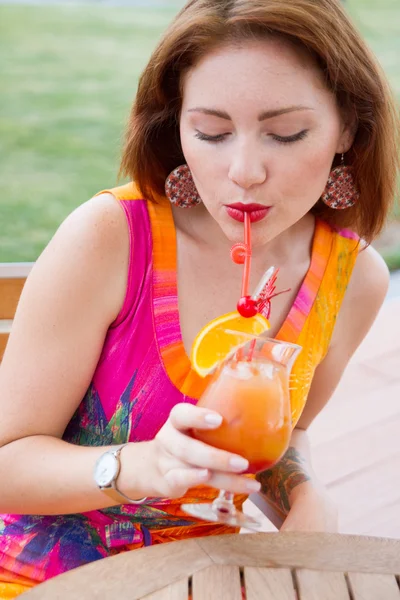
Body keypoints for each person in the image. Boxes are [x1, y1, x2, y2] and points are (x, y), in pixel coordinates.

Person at [0, 0, 399, 596]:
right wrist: (140, 467)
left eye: (285, 133)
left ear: (348, 126)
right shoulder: (110, 238)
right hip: (41, 575)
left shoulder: (353, 279)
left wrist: (304, 493)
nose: (243, 171)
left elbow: (281, 433)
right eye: (211, 133)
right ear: (176, 127)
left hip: (209, 576)